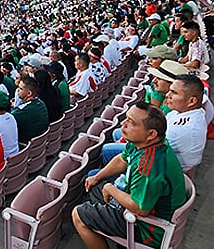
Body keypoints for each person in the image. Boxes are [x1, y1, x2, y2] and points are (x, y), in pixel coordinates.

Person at [72, 102, 186, 249]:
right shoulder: (143, 142)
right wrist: (97, 177)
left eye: (131, 122)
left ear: (151, 134)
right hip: (139, 204)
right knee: (94, 187)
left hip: (147, 229)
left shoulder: (149, 166)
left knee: (78, 215)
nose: (123, 124)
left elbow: (140, 209)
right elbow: (122, 159)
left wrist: (110, 188)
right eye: (126, 118)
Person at [163, 75, 208, 171]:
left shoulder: (180, 130)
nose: (167, 95)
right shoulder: (186, 111)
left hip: (166, 169)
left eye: (174, 92)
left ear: (192, 101)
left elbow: (147, 148)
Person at [11, 75, 50, 144]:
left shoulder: (22, 111)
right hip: (40, 143)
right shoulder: (40, 102)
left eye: (20, 89)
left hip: (26, 146)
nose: (17, 91)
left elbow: (10, 118)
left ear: (29, 93)